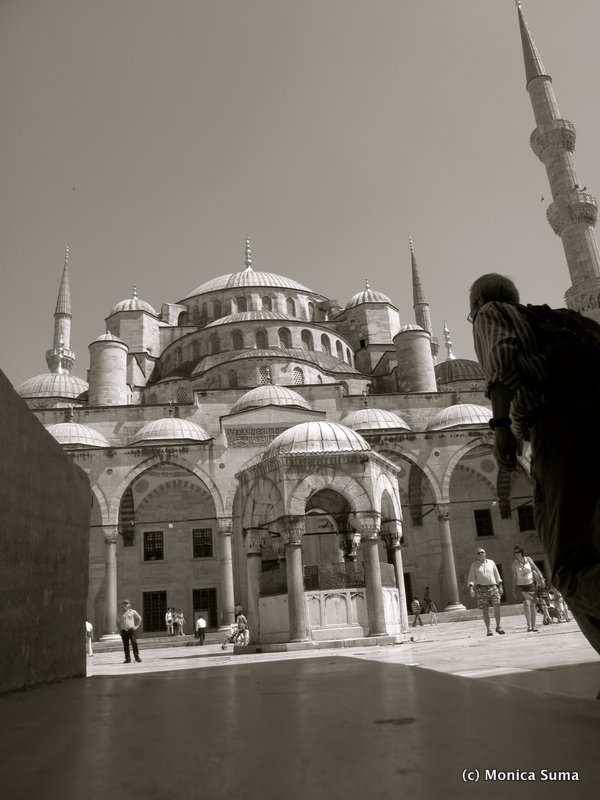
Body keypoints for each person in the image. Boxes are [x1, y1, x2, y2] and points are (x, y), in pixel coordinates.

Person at [469, 272, 600, 655]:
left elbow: (502, 357)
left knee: (569, 566)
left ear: (477, 305)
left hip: (562, 430)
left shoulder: (491, 312)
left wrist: (500, 426)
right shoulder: (563, 321)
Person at [467, 547, 505, 636]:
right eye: (478, 553)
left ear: (485, 553)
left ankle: (499, 627)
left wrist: (500, 587)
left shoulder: (491, 563)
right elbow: (471, 579)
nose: (480, 554)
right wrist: (471, 589)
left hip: (493, 586)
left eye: (482, 552)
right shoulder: (474, 565)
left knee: (497, 605)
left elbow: (497, 576)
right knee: (485, 609)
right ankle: (488, 629)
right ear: (476, 555)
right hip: (481, 588)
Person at [512, 546, 545, 632]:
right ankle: (529, 625)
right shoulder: (514, 564)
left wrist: (541, 579)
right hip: (522, 587)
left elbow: (536, 569)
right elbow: (514, 578)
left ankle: (533, 626)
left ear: (522, 552)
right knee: (526, 603)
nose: (517, 554)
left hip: (532, 585)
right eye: (515, 552)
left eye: (518, 552)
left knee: (533, 605)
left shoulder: (528, 560)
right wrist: (513, 590)